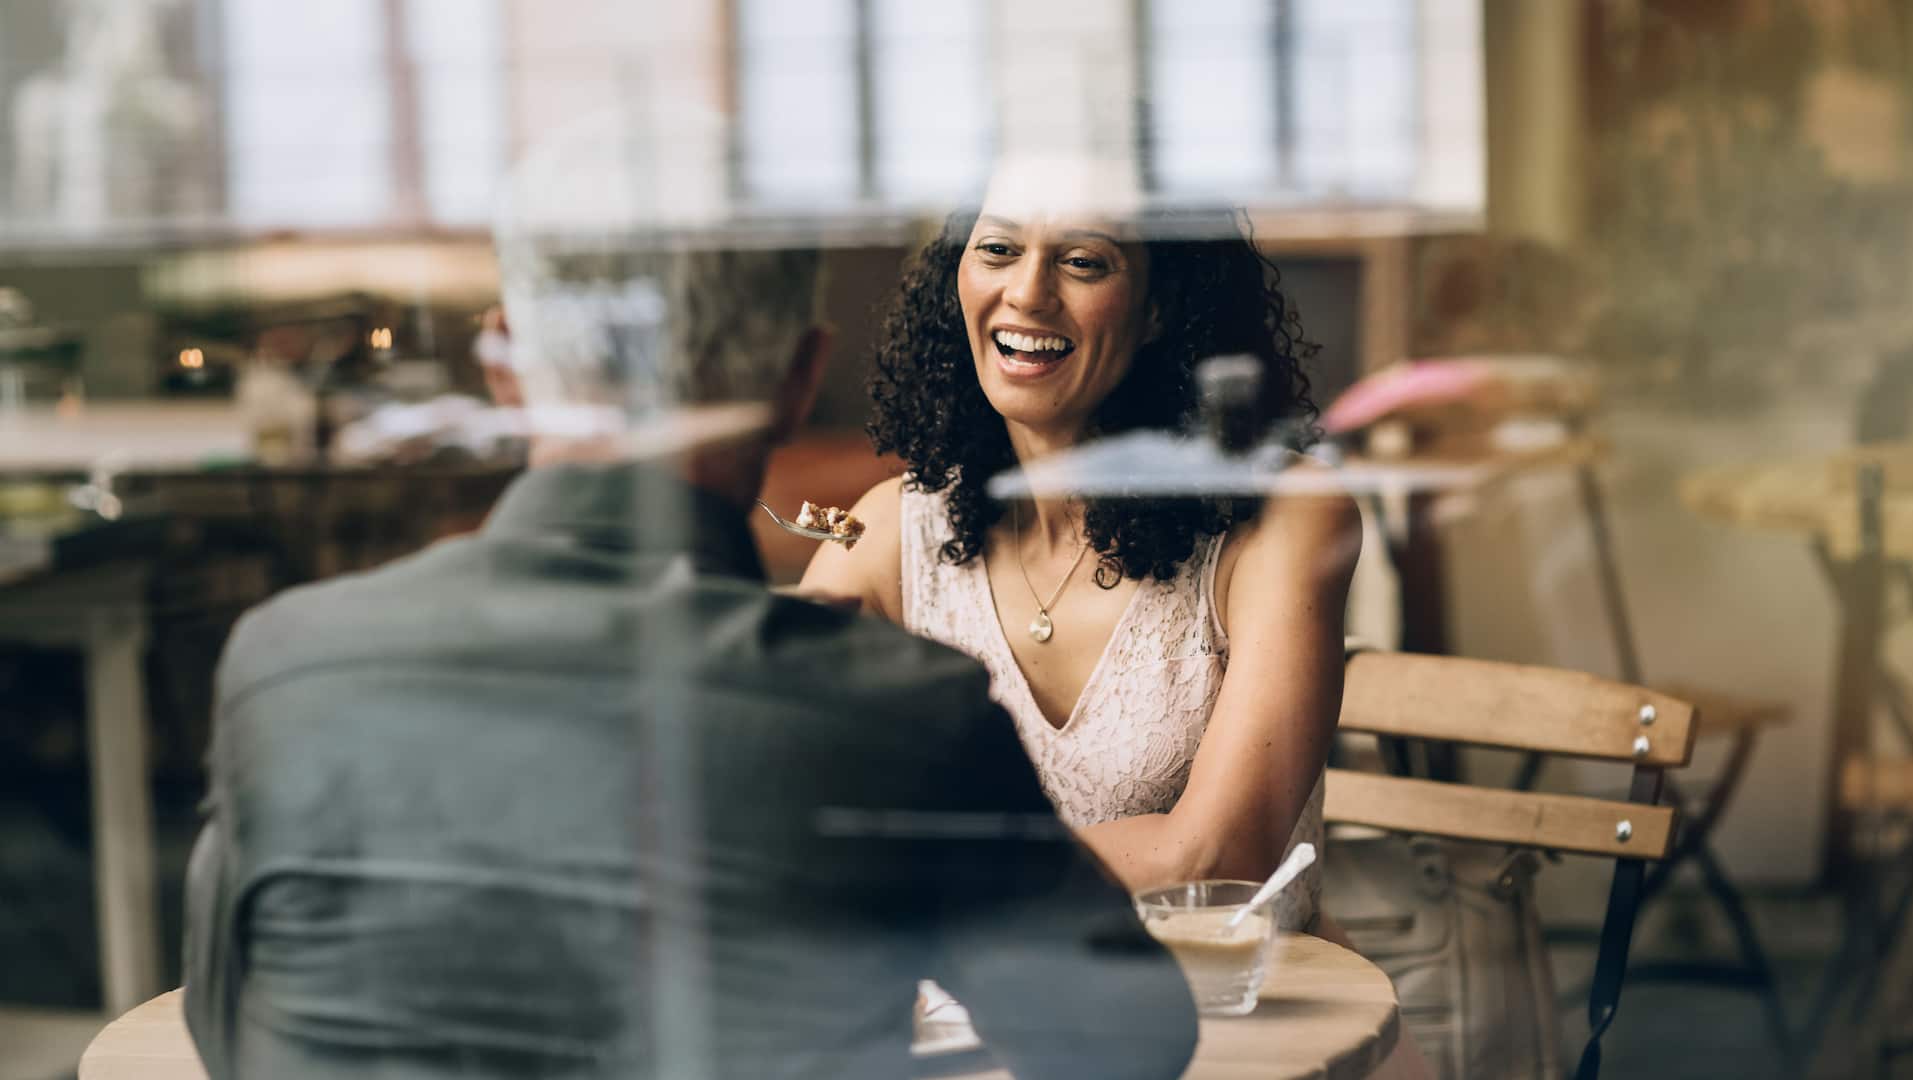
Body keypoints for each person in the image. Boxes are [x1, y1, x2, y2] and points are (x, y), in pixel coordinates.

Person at [182, 231, 1199, 1075]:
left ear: (502, 367)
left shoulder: (285, 667)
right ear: (801, 380)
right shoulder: (897, 715)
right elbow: (1127, 1044)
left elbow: (227, 1031)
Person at [802, 156, 1360, 928]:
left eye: (1082, 262)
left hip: (1241, 1023)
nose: (1027, 292)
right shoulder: (894, 532)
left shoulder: (1280, 516)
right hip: (977, 1028)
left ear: (1161, 304)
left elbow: (1216, 858)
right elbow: (765, 779)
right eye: (997, 250)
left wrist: (907, 871)